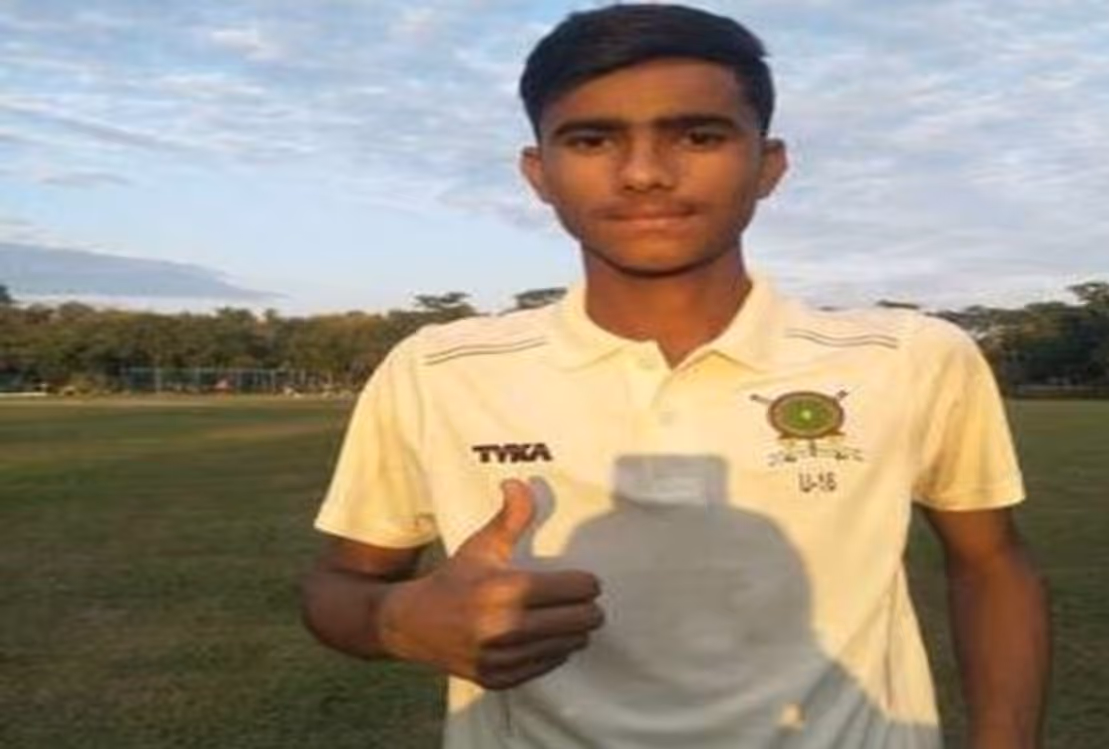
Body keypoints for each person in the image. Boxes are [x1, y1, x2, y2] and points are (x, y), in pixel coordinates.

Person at [301, 4, 1050, 748]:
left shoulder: (908, 357)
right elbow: (341, 582)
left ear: (768, 164)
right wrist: (396, 620)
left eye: (698, 136)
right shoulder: (439, 369)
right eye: (592, 139)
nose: (644, 174)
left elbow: (991, 563)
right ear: (539, 173)